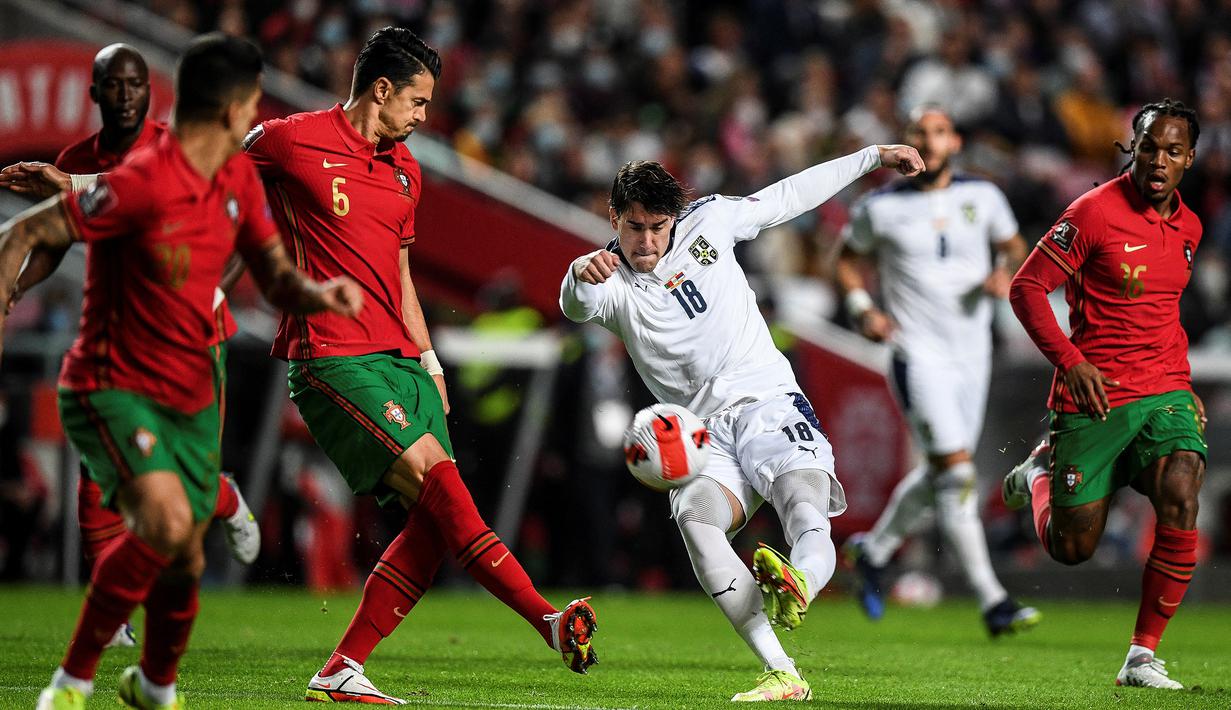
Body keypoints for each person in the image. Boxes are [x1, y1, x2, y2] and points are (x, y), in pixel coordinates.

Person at [0, 33, 364, 710]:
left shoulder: (231, 178)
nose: (256, 110)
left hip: (189, 385)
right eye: (251, 97)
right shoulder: (143, 181)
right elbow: (25, 233)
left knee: (185, 553)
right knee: (165, 525)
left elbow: (273, 272)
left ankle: (155, 684)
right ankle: (71, 683)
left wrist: (319, 295)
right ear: (229, 106)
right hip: (113, 381)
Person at [240, 27, 597, 704]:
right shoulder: (291, 140)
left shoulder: (407, 168)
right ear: (381, 89)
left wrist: (429, 359)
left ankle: (342, 668)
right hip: (331, 355)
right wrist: (84, 185)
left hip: (402, 361)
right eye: (419, 101)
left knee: (434, 526)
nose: (424, 116)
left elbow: (399, 273)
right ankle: (546, 620)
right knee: (442, 488)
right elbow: (193, 170)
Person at [560, 144, 924, 701]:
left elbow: (788, 196)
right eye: (635, 228)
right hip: (704, 439)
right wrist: (578, 274)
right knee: (694, 515)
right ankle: (781, 671)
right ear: (614, 217)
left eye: (659, 228)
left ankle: (800, 582)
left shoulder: (712, 219)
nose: (648, 242)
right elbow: (575, 306)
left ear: (675, 219)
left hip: (766, 400)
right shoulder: (608, 283)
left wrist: (872, 157)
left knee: (801, 499)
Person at [0, 43, 261, 651]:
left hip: (195, 333)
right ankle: (113, 617)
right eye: (112, 86)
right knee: (101, 469)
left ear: (152, 93)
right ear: (94, 94)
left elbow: (234, 229)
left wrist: (210, 294)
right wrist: (14, 288)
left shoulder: (177, 148)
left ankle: (224, 500)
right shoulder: (77, 157)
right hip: (124, 337)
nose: (123, 95)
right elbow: (53, 242)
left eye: (134, 85)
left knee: (183, 491)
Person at [1002, 99, 1206, 690]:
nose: (1158, 161)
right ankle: (1039, 473)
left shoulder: (1190, 226)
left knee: (1182, 486)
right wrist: (1071, 361)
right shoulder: (1091, 213)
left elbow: (1164, 311)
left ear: (1190, 158)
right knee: (1073, 548)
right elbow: (1027, 288)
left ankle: (1141, 656)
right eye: (1148, 148)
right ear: (1131, 149)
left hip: (1163, 389)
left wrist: (1183, 383)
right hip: (1095, 395)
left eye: (1172, 151)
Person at [834, 106, 1040, 635]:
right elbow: (846, 260)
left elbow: (1014, 246)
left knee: (946, 473)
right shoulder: (878, 208)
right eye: (919, 133)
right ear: (906, 144)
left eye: (939, 132)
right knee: (956, 472)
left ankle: (873, 552)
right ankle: (994, 601)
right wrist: (863, 311)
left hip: (973, 355)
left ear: (955, 141)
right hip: (915, 353)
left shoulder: (984, 197)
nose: (929, 140)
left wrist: (1002, 271)